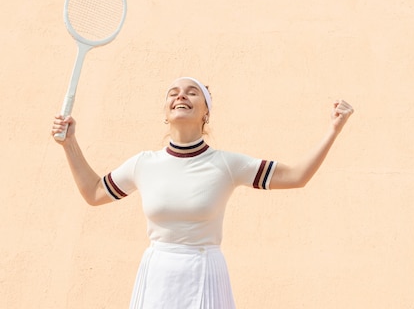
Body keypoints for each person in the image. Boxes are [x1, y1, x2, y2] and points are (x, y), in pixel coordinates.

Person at [50, 76, 354, 309]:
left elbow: (297, 176)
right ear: (166, 113)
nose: (181, 95)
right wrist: (69, 144)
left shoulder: (226, 164)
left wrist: (333, 130)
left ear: (205, 111)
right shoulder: (143, 164)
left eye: (192, 91)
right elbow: (93, 192)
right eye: (174, 93)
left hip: (206, 274)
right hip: (156, 277)